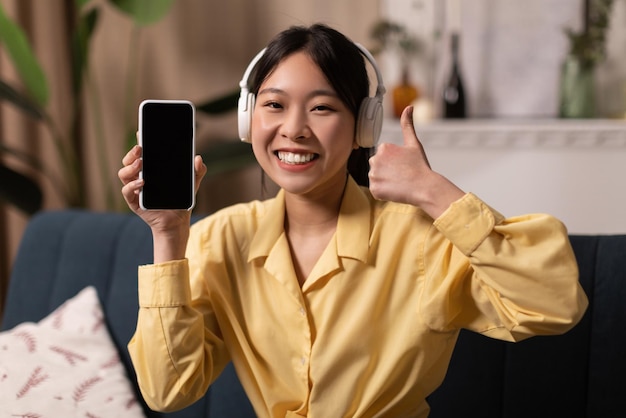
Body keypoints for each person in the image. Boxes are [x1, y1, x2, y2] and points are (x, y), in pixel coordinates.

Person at [118, 23, 588, 418]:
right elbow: (169, 390)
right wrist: (169, 234)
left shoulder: (420, 239)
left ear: (364, 124)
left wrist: (432, 191)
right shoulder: (219, 238)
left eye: (321, 107)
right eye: (274, 104)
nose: (294, 128)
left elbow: (556, 303)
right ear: (249, 118)